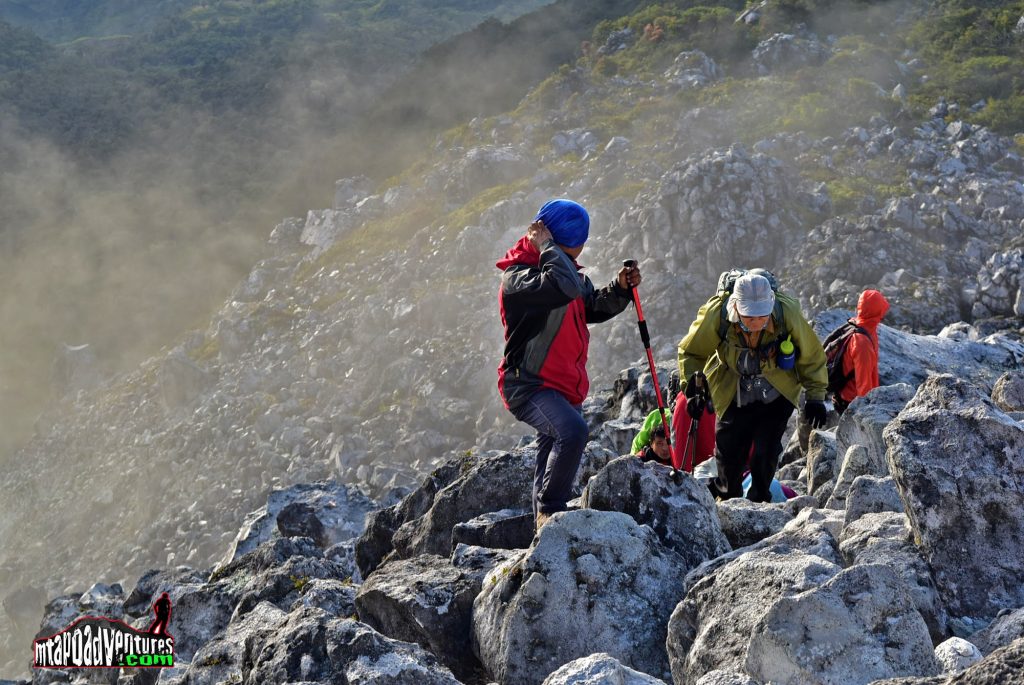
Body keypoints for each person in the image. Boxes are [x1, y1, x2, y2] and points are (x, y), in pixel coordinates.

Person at [497, 199, 640, 530]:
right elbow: (561, 288)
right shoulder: (519, 278)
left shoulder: (566, 273)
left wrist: (620, 288)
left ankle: (541, 530)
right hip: (529, 385)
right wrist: (547, 246)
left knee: (549, 454)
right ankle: (550, 510)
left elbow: (591, 305)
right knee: (573, 433)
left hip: (562, 386)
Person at [678, 272, 828, 502]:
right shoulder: (717, 315)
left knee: (765, 451)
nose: (757, 323)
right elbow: (691, 352)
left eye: (762, 317)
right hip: (732, 390)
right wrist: (692, 388)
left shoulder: (786, 313)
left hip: (776, 391)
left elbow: (812, 355)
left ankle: (758, 501)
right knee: (729, 452)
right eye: (749, 317)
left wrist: (816, 397)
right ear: (736, 307)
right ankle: (728, 499)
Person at [833, 289, 890, 414]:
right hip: (851, 403)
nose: (883, 315)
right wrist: (867, 412)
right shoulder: (862, 343)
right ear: (876, 313)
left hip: (848, 397)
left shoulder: (862, 324)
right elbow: (863, 384)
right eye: (881, 311)